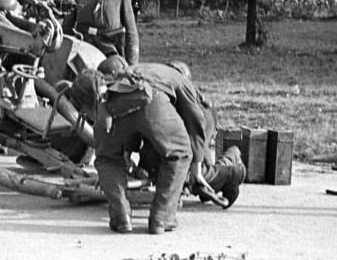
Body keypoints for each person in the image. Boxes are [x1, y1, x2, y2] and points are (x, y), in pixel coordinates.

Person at [97, 55, 246, 209]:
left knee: (187, 176)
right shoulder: (132, 85)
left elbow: (194, 127)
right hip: (176, 127)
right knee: (159, 169)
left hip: (199, 124)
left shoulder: (189, 100)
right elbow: (135, 126)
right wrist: (126, 158)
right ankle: (216, 174)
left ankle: (233, 170)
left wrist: (196, 167)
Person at [69, 68, 192, 234]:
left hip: (107, 110)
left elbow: (129, 125)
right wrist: (197, 163)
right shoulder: (177, 79)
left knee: (107, 160)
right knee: (179, 154)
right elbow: (196, 118)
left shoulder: (108, 89)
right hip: (151, 103)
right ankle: (162, 218)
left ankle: (121, 217)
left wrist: (127, 150)